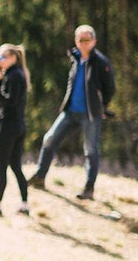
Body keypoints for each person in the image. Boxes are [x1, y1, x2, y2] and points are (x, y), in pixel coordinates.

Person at [27, 25, 116, 200]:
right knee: (49, 139)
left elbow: (110, 88)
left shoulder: (101, 62)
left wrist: (102, 106)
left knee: (90, 150)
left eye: (87, 40)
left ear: (94, 41)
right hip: (70, 111)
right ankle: (40, 176)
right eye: (80, 39)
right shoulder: (74, 58)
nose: (83, 43)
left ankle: (89, 189)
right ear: (76, 40)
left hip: (91, 114)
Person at [0, 44, 31, 216]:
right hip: (18, 126)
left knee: (2, 165)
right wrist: (0, 79)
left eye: (2, 57)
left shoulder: (15, 75)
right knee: (16, 166)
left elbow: (8, 101)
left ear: (13, 58)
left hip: (9, 127)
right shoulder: (14, 74)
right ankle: (24, 204)